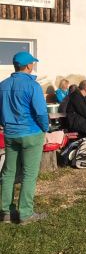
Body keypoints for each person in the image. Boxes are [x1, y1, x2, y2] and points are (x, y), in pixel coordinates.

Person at [0, 51, 49, 225]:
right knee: (29, 173)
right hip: (31, 133)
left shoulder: (2, 85)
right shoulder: (33, 86)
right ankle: (25, 213)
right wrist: (45, 128)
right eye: (32, 63)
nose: (33, 65)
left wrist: (4, 123)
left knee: (8, 172)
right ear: (28, 66)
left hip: (10, 133)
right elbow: (41, 112)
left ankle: (6, 211)